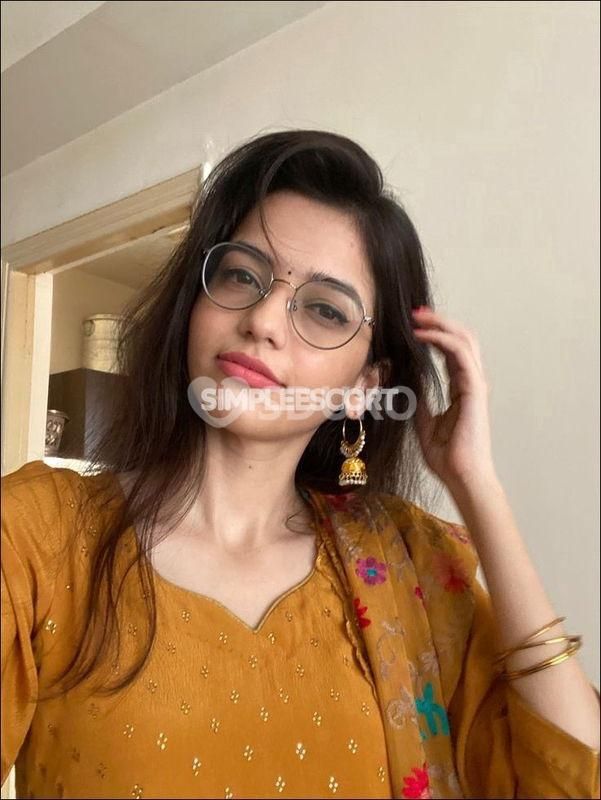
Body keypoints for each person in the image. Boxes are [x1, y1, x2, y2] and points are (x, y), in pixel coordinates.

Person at [1, 129, 599, 800]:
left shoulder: (411, 567)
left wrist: (477, 486)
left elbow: (567, 780)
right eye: (241, 275)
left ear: (364, 385)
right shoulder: (35, 537)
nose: (262, 319)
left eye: (323, 309)